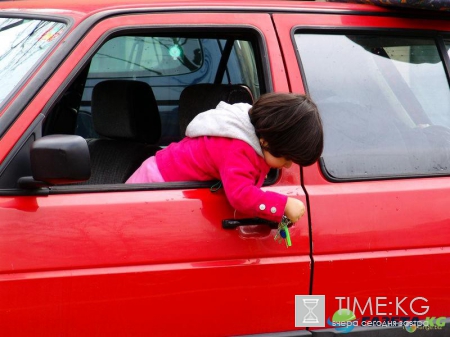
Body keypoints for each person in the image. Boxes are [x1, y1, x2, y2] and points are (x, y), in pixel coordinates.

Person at [126, 92, 323, 223]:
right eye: (287, 159)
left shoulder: (249, 128)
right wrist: (283, 205)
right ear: (266, 142)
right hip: (153, 185)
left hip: (154, 176)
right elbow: (240, 196)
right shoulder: (237, 149)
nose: (288, 165)